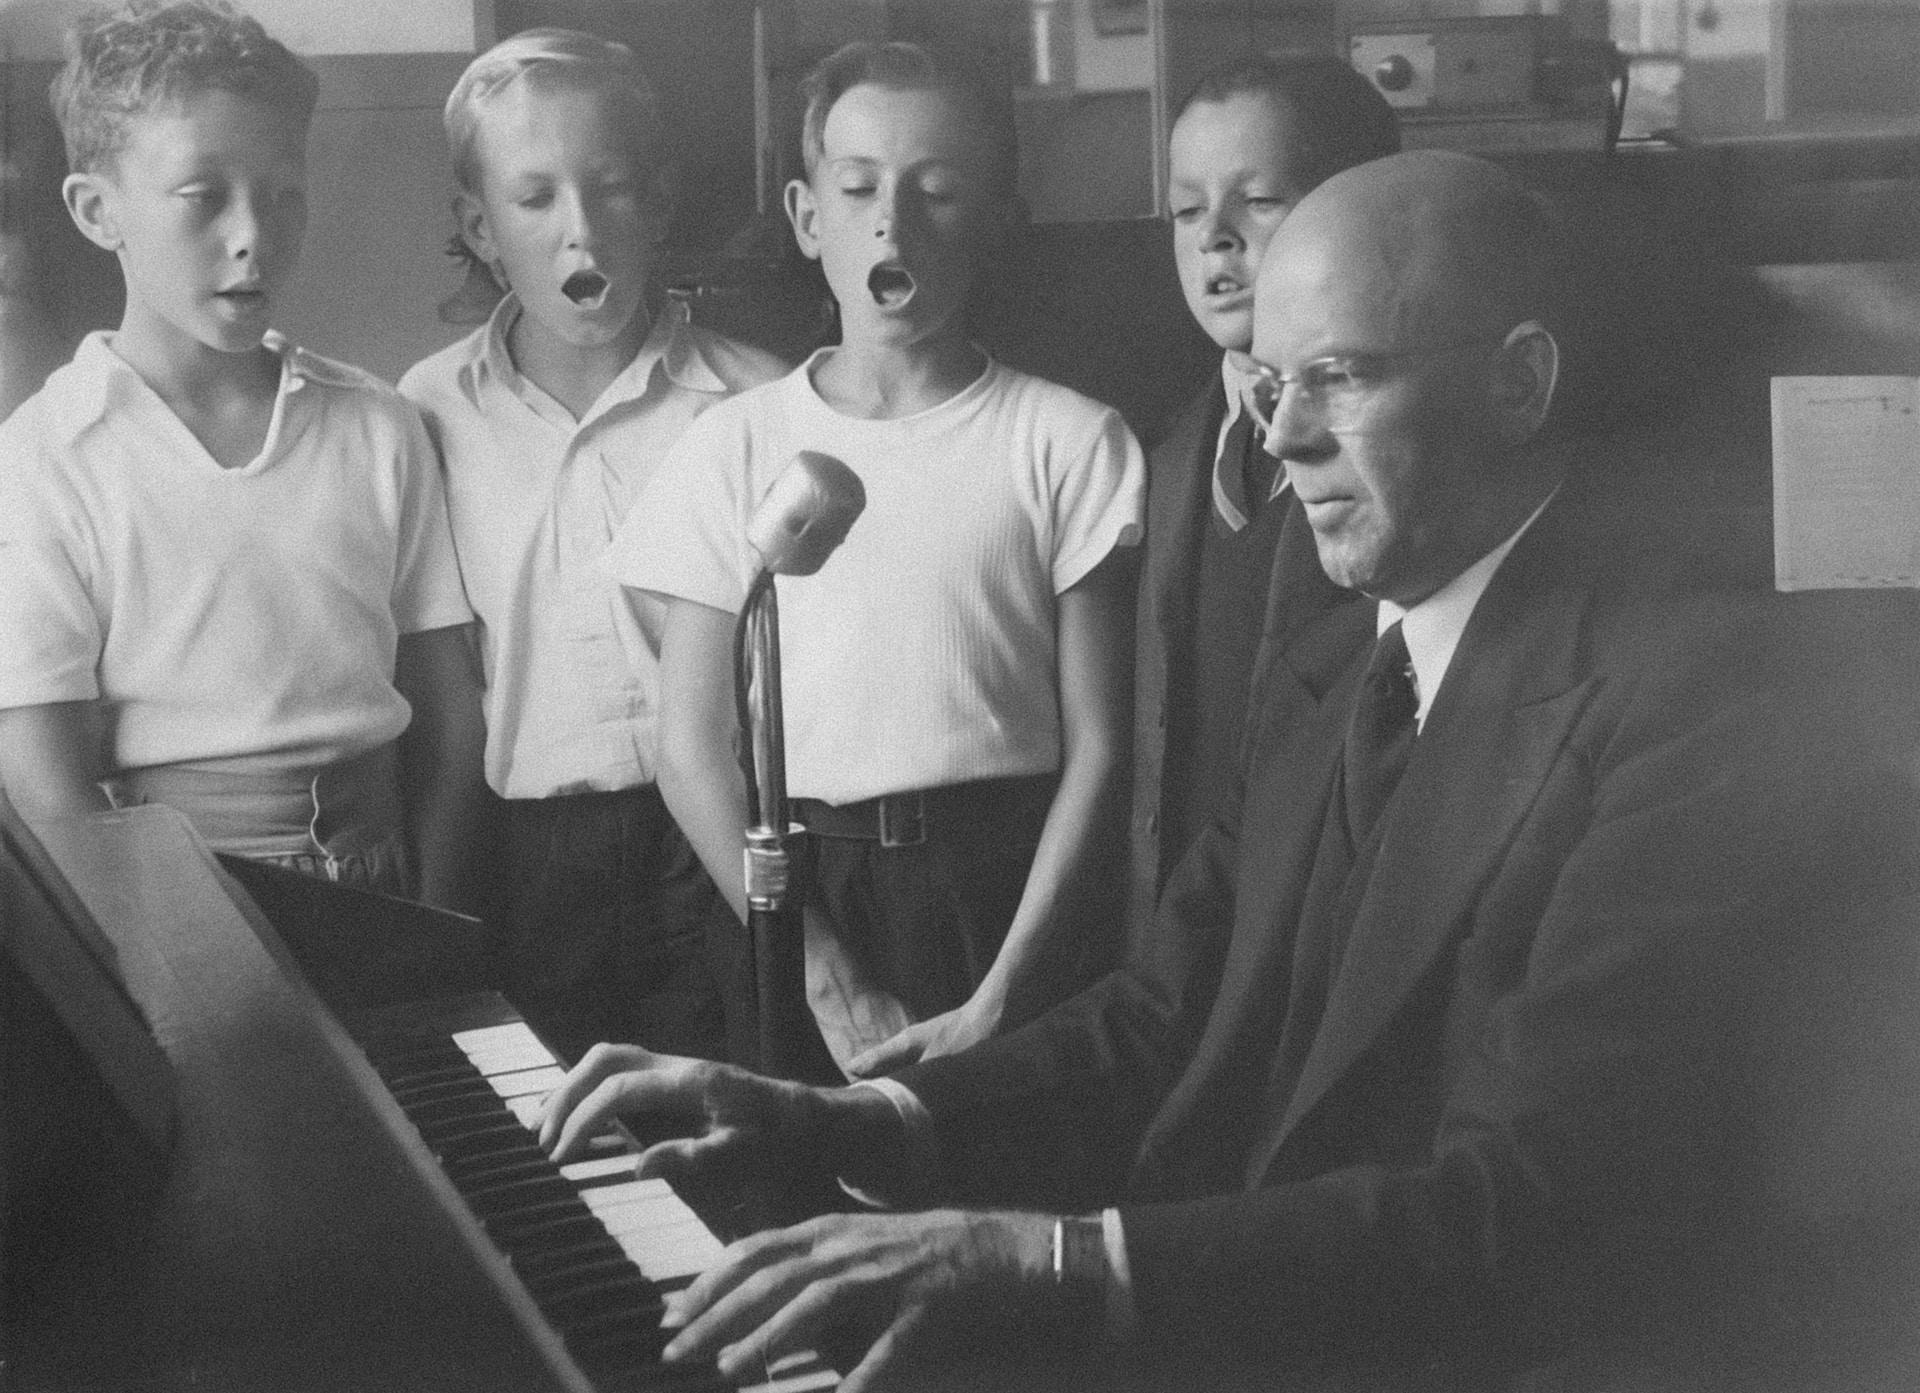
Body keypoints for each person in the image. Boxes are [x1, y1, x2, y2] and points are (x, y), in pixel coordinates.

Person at [539, 150, 1920, 1389]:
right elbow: (1163, 1013)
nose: (1282, 435)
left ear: (1520, 382)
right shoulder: (1329, 660)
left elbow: (1525, 1200)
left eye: (1343, 377)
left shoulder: (1700, 697)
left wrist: (1053, 1261)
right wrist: (858, 1116)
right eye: (1268, 381)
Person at [607, 41, 1143, 1077]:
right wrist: (820, 971)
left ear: (994, 218)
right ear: (810, 219)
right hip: (798, 892)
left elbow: (1104, 751)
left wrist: (1005, 994)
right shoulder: (735, 443)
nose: (893, 222)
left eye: (937, 190)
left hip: (1001, 885)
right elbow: (691, 750)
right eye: (859, 189)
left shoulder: (1070, 440)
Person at [0, 0, 483, 906]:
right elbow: (45, 782)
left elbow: (452, 727)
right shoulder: (44, 461)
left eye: (283, 191)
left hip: (393, 883)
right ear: (97, 210)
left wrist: (435, 926)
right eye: (203, 195)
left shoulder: (376, 425)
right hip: (178, 903)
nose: (253, 233)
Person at [397, 30, 785, 1062]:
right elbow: (440, 686)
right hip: (530, 863)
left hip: (720, 836)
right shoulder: (425, 413)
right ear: (481, 227)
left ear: (656, 202)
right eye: (535, 200)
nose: (582, 233)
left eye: (611, 188)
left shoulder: (753, 402)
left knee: (735, 1120)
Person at [1130, 57, 1398, 935]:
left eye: (1261, 200)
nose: (1214, 238)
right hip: (1189, 937)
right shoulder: (1170, 457)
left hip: (1333, 918)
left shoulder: (1404, 469)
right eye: (1186, 208)